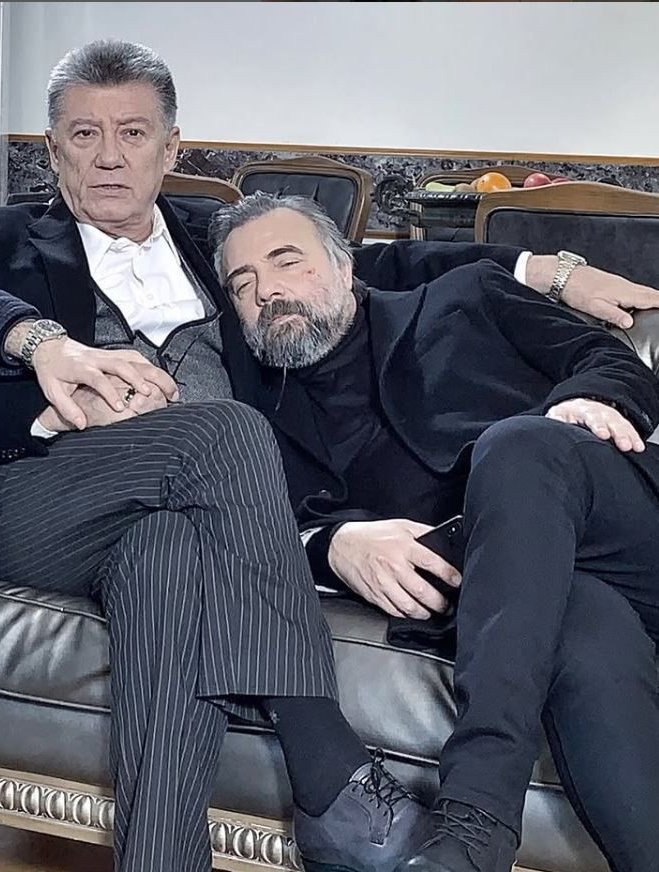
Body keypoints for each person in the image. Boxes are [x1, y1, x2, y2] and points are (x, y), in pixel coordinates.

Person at [0, 37, 657, 872]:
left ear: (171, 149)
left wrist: (550, 268)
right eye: (84, 135)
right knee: (225, 430)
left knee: (167, 554)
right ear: (52, 150)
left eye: (133, 133)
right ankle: (328, 770)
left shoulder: (212, 248)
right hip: (40, 492)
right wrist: (40, 350)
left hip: (179, 515)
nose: (109, 157)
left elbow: (380, 261)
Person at [209, 191, 659, 872]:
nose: (267, 290)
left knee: (516, 447)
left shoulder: (466, 296)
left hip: (614, 522)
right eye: (243, 284)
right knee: (583, 634)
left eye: (287, 261)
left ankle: (476, 818)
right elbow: (237, 523)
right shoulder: (253, 415)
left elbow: (612, 360)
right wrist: (329, 546)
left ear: (344, 266)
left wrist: (587, 400)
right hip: (517, 590)